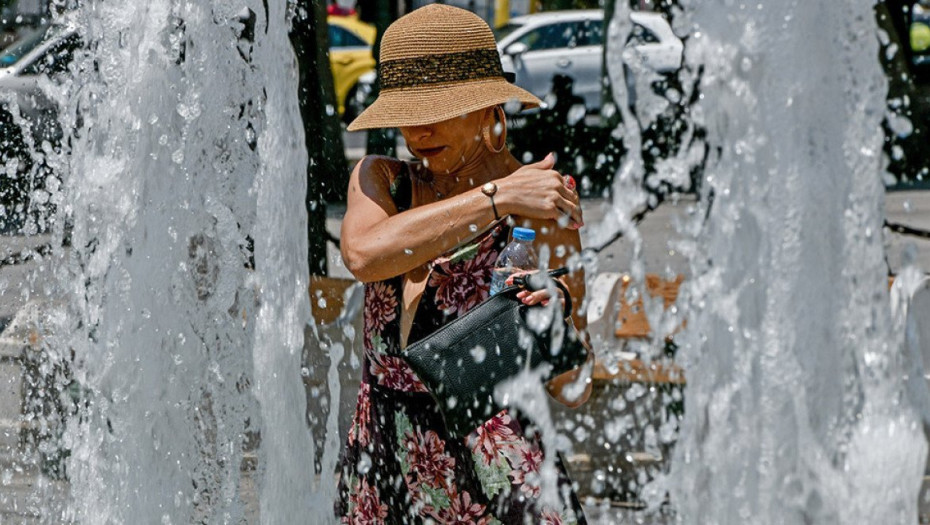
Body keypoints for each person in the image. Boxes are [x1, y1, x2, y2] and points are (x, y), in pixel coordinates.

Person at [335, 5, 593, 523]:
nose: (418, 130)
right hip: (384, 468)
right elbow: (363, 254)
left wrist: (554, 316)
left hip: (498, 475)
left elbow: (576, 389)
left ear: (488, 108)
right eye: (407, 112)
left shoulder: (543, 203)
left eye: (439, 110)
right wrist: (497, 196)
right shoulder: (383, 180)